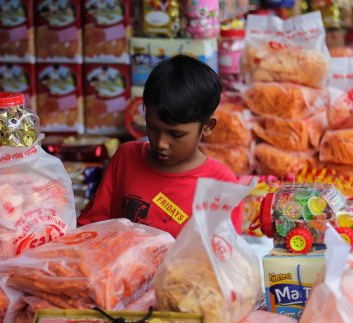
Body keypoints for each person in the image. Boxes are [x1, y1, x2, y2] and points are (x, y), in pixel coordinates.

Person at [77, 55, 243, 237]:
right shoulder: (126, 157)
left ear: (207, 127)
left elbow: (224, 255)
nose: (161, 143)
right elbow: (91, 228)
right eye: (152, 128)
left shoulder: (220, 184)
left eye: (176, 134)